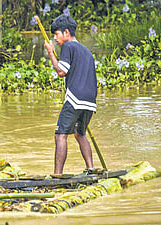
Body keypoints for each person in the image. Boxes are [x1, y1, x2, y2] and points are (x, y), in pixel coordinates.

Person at [43, 14, 98, 175]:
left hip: (74, 99)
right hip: (90, 102)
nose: (55, 38)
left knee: (60, 135)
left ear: (66, 32)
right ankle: (90, 168)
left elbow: (61, 71)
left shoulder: (68, 47)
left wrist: (51, 53)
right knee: (80, 134)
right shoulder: (86, 51)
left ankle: (57, 175)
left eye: (56, 34)